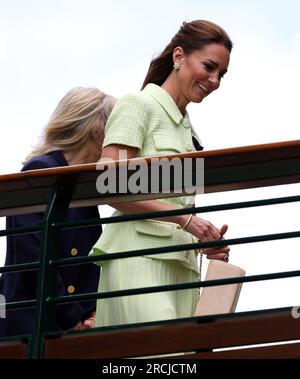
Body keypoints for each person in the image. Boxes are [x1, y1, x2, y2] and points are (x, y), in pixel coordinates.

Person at [90, 20, 232, 327]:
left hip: (182, 267)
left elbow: (182, 207)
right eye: (209, 66)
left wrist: (204, 239)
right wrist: (186, 221)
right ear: (179, 56)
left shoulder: (191, 133)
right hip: (139, 257)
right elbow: (110, 186)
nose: (215, 80)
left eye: (221, 73)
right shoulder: (138, 105)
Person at [0, 87, 116, 337]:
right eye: (115, 128)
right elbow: (32, 258)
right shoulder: (40, 171)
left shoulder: (79, 181)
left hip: (63, 322)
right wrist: (71, 316)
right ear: (97, 130)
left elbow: (89, 258)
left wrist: (91, 311)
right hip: (31, 323)